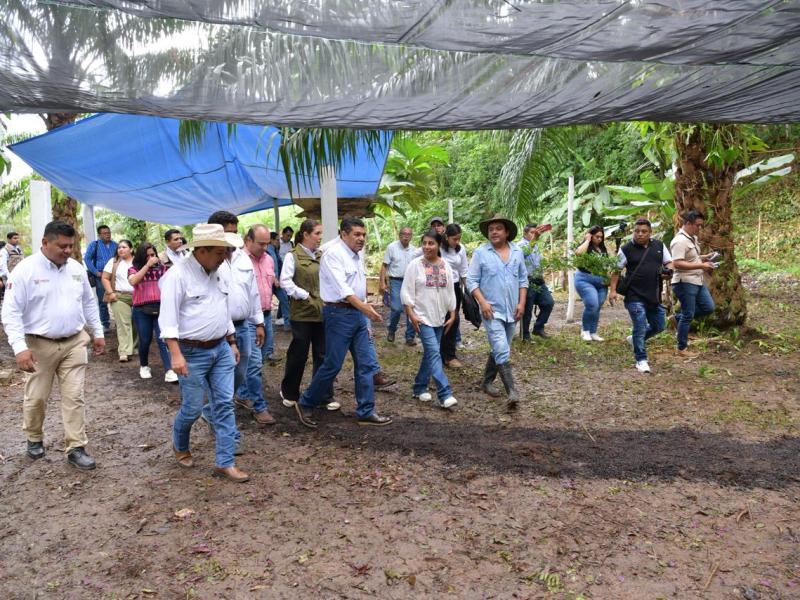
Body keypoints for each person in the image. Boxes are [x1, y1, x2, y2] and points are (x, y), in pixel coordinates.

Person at [1, 220, 105, 470]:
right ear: (45, 243)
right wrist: (19, 347)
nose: (68, 251)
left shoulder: (76, 269)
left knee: (74, 396)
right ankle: (34, 437)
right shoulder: (25, 270)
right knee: (36, 397)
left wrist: (98, 332)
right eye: (62, 246)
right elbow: (11, 312)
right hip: (38, 346)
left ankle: (76, 447)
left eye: (71, 246)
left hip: (74, 342)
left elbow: (89, 302)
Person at [158, 223, 249, 482]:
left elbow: (222, 308)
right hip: (191, 352)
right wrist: (176, 355)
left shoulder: (217, 270)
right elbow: (168, 320)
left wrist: (231, 341)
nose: (225, 258)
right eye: (221, 252)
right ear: (203, 251)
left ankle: (225, 461)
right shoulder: (177, 276)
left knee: (224, 404)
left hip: (220, 348)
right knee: (193, 407)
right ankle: (180, 443)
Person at [293, 217, 392, 428]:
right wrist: (366, 309)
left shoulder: (356, 253)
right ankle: (306, 403)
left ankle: (366, 411)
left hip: (357, 315)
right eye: (356, 234)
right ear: (344, 234)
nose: (361, 239)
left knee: (365, 364)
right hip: (338, 314)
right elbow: (343, 290)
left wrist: (364, 312)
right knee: (332, 364)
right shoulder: (333, 254)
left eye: (363, 235)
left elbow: (358, 284)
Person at [206, 211, 270, 425]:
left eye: (234, 232)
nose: (231, 236)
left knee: (243, 371)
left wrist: (259, 322)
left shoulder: (242, 258)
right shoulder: (205, 261)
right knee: (221, 373)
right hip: (216, 329)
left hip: (243, 326)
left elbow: (252, 293)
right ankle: (222, 418)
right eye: (227, 232)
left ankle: (213, 408)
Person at [467, 214, 528, 409]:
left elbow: (523, 280)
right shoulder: (481, 253)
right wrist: (483, 302)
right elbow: (471, 281)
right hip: (491, 310)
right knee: (502, 348)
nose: (494, 232)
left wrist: (522, 303)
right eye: (491, 229)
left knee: (500, 347)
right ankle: (512, 391)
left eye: (498, 228)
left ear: (507, 232)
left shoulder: (517, 252)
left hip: (513, 310)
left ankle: (486, 381)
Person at [279, 219, 339, 411]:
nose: (320, 238)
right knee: (299, 354)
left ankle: (323, 395)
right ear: (305, 235)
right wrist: (305, 296)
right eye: (317, 234)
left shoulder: (322, 256)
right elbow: (285, 282)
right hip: (302, 314)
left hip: (323, 313)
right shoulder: (292, 256)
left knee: (323, 354)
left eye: (321, 234)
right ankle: (289, 392)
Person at [401, 230, 458, 409]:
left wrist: (453, 313)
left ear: (439, 245)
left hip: (439, 317)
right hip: (421, 317)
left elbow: (450, 291)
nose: (427, 247)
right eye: (424, 243)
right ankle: (445, 393)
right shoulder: (414, 265)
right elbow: (407, 291)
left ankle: (419, 387)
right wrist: (411, 314)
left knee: (430, 354)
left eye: (431, 243)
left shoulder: (445, 265)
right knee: (434, 353)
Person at [609, 218, 674, 374]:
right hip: (634, 296)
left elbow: (669, 263)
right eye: (637, 231)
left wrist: (668, 272)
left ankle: (635, 339)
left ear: (650, 233)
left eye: (644, 231)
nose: (639, 234)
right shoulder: (626, 249)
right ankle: (641, 359)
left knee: (659, 326)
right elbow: (616, 270)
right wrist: (612, 291)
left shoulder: (659, 246)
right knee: (639, 325)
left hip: (653, 295)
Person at [670, 210, 716, 358]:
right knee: (688, 314)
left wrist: (704, 257)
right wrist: (702, 266)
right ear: (688, 223)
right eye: (698, 225)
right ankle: (682, 348)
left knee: (708, 307)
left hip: (697, 280)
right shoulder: (679, 241)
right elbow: (677, 263)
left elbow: (691, 258)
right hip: (684, 282)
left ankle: (677, 319)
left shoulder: (692, 238)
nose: (699, 228)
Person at [128, 242, 175, 382]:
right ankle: (144, 366)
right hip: (141, 309)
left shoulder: (163, 269)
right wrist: (147, 266)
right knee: (145, 339)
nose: (151, 257)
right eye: (147, 255)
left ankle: (169, 370)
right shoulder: (133, 269)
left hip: (161, 308)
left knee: (163, 339)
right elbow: (133, 281)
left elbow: (171, 284)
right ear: (142, 257)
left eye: (153, 255)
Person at [379, 226, 417, 345]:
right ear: (399, 235)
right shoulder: (392, 247)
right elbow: (384, 265)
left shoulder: (414, 250)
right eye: (404, 234)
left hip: (410, 281)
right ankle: (391, 330)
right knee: (396, 308)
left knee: (411, 308)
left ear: (411, 236)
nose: (406, 236)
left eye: (408, 234)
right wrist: (382, 282)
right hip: (396, 281)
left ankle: (410, 336)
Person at [101, 239, 136, 362]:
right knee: (123, 324)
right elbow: (105, 278)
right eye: (119, 247)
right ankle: (124, 351)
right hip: (119, 296)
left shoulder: (138, 261)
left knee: (136, 323)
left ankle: (134, 347)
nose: (121, 249)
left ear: (131, 249)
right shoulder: (114, 262)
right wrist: (111, 293)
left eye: (124, 247)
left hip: (138, 297)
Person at [518, 223, 555, 340]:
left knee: (548, 303)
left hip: (539, 280)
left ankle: (538, 328)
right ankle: (525, 335)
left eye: (535, 232)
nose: (534, 235)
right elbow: (525, 253)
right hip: (527, 282)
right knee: (527, 309)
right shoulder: (519, 246)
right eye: (532, 233)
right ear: (525, 233)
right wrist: (535, 239)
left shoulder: (536, 246)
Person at [574, 225, 610, 342]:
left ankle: (593, 331)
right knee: (592, 304)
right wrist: (587, 240)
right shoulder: (586, 247)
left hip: (601, 281)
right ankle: (585, 331)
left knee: (597, 307)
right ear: (591, 235)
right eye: (596, 236)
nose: (599, 239)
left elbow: (606, 265)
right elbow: (578, 253)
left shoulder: (603, 249)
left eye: (601, 237)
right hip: (585, 279)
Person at [439, 223, 468, 368]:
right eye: (454, 239)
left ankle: (450, 356)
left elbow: (463, 270)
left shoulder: (461, 249)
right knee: (439, 319)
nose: (457, 242)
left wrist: (468, 291)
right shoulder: (438, 247)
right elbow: (418, 255)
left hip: (455, 287)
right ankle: (438, 353)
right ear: (446, 237)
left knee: (453, 320)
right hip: (438, 288)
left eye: (459, 239)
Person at [83, 224, 117, 332]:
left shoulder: (115, 245)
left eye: (109, 233)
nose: (107, 235)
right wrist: (95, 272)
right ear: (99, 235)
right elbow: (87, 259)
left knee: (117, 298)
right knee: (103, 300)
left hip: (114, 276)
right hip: (101, 277)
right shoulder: (95, 245)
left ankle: (118, 322)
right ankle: (105, 324)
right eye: (105, 233)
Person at [270, 231, 292, 330]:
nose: (279, 242)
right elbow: (271, 266)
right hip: (273, 281)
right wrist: (274, 278)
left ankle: (287, 323)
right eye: (277, 240)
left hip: (277, 281)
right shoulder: (269, 250)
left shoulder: (274, 249)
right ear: (271, 240)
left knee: (284, 300)